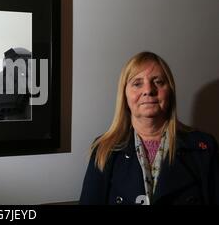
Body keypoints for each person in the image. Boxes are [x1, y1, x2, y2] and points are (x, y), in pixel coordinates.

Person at [79, 51, 219, 205]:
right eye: (137, 83)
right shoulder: (103, 150)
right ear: (124, 96)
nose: (148, 90)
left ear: (170, 92)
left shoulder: (204, 148)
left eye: (158, 82)